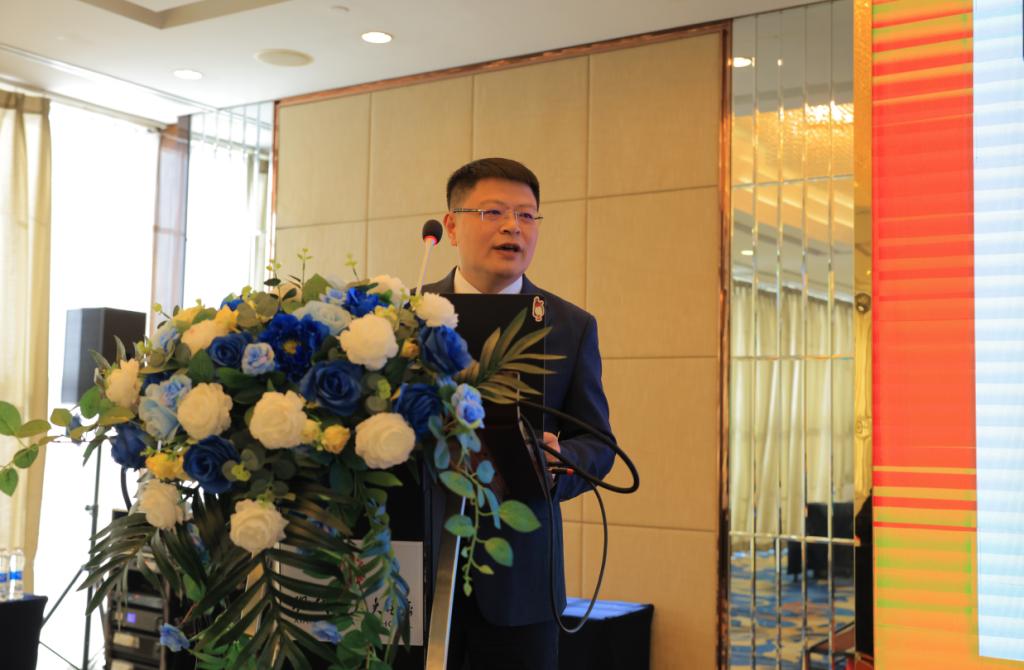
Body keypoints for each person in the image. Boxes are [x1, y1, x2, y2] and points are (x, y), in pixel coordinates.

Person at [422, 157, 616, 670]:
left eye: (527, 215)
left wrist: (557, 461)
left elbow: (598, 447)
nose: (513, 226)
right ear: (452, 226)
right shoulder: (402, 315)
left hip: (521, 582)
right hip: (411, 567)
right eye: (494, 212)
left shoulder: (570, 325)